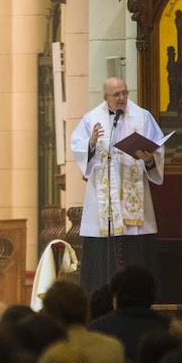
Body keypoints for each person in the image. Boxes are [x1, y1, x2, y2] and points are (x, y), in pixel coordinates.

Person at [71, 77, 167, 293]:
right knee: (102, 266)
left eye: (125, 93)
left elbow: (158, 152)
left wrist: (149, 158)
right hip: (102, 205)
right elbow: (78, 150)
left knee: (136, 258)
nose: (122, 98)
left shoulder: (143, 117)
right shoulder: (91, 119)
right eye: (117, 95)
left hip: (135, 207)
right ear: (105, 97)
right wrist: (92, 144)